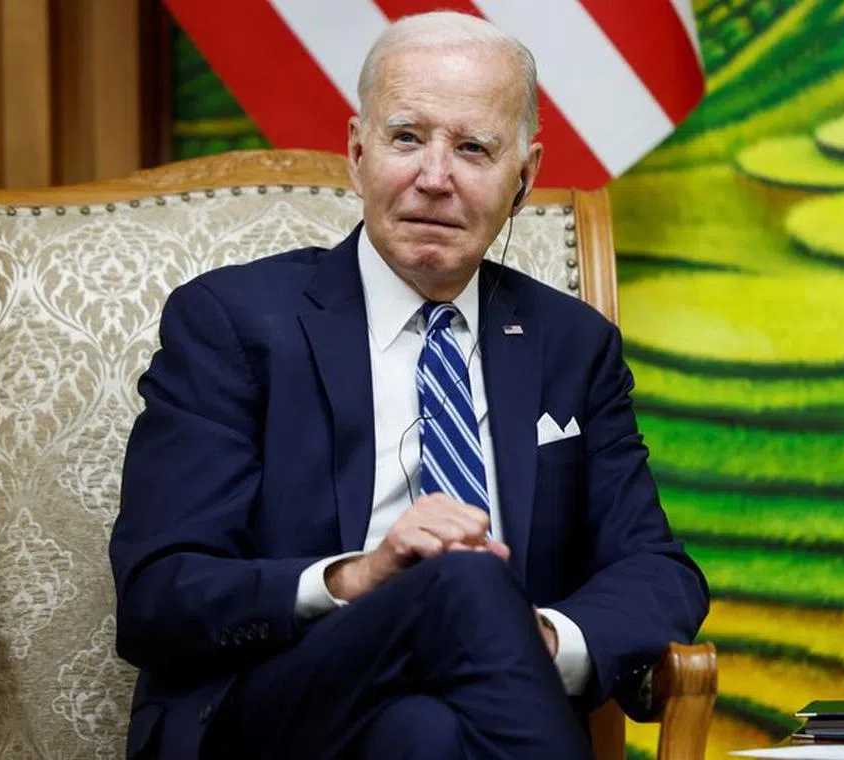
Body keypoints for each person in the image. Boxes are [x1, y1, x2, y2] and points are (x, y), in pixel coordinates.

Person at [110, 11, 708, 760]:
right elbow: (160, 592)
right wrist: (358, 577)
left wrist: (539, 638)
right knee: (462, 581)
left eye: (472, 148)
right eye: (406, 138)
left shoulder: (572, 346)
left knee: (426, 730)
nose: (434, 178)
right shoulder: (232, 322)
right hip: (274, 709)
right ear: (357, 153)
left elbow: (658, 572)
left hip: (456, 722)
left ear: (524, 178)